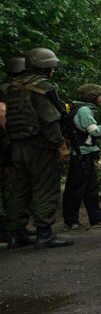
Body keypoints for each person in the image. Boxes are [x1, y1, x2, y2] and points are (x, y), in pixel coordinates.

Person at [3, 48, 72, 248]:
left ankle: (16, 234)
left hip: (16, 145)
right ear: (46, 67)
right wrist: (60, 145)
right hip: (40, 146)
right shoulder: (41, 87)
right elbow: (49, 120)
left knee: (19, 190)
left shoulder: (12, 87)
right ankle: (44, 232)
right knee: (45, 188)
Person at [62, 84, 101, 230]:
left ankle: (96, 218)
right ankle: (71, 220)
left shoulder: (76, 109)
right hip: (81, 155)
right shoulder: (84, 110)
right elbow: (95, 131)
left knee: (89, 187)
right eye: (100, 95)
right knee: (77, 188)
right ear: (91, 96)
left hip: (81, 154)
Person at [0, 57, 27, 243]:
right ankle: (12, 231)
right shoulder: (11, 89)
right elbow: (2, 113)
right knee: (12, 187)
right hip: (7, 144)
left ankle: (13, 231)